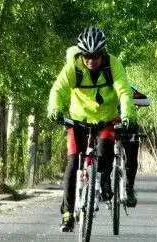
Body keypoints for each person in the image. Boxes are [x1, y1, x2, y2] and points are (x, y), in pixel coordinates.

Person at [47, 26, 139, 232]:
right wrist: (54, 108)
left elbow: (124, 91)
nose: (91, 60)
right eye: (87, 56)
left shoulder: (113, 65)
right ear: (81, 54)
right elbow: (58, 89)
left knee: (106, 150)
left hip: (106, 119)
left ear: (103, 54)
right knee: (72, 164)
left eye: (96, 56)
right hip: (78, 120)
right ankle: (67, 213)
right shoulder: (73, 67)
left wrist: (128, 115)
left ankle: (104, 178)